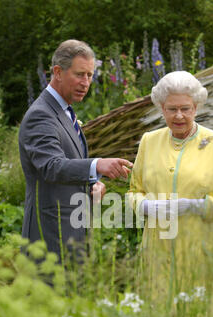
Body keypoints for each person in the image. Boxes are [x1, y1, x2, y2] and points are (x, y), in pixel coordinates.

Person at [128, 71, 213, 317]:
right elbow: (133, 192)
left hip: (202, 254)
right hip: (157, 253)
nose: (179, 116)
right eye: (171, 109)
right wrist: (146, 206)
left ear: (196, 107)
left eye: (185, 108)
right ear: (161, 108)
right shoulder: (149, 141)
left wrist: (194, 206)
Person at [19, 39, 133, 262]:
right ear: (58, 72)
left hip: (72, 233)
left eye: (90, 75)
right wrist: (97, 164)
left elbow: (67, 168)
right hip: (49, 237)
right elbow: (51, 166)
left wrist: (91, 183)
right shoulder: (41, 114)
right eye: (80, 74)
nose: (86, 82)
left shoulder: (65, 112)